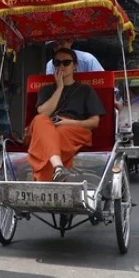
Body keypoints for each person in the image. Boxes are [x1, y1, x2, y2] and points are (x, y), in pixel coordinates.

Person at [27, 48, 106, 182]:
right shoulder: (46, 90)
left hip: (74, 128)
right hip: (48, 126)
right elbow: (44, 112)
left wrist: (67, 122)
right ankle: (58, 166)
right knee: (40, 120)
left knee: (51, 139)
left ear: (74, 66)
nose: (61, 66)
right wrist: (60, 88)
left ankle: (43, 183)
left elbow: (94, 122)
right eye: (57, 63)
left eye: (66, 63)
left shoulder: (85, 90)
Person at [115, 81, 139, 146]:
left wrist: (133, 122)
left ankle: (138, 146)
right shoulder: (121, 107)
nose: (127, 98)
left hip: (135, 127)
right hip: (123, 129)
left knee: (136, 125)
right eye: (125, 97)